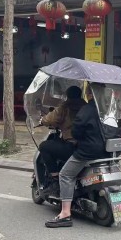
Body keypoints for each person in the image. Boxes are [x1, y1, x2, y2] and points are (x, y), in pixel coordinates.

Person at [45, 83, 109, 228]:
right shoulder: (105, 109)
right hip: (105, 150)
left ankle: (65, 213)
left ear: (89, 94)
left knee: (65, 175)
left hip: (88, 150)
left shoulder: (85, 110)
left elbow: (76, 132)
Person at [38, 86, 85, 194]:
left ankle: (55, 179)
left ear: (67, 96)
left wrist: (42, 120)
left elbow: (50, 119)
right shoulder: (86, 106)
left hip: (72, 146)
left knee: (44, 146)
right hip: (86, 145)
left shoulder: (65, 107)